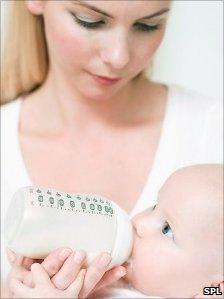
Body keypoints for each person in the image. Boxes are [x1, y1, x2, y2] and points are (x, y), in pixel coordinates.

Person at [1, 0, 222, 297]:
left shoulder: (212, 129)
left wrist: (213, 293)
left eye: (147, 25)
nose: (119, 57)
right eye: (89, 21)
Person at [7, 164, 224, 298]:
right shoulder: (101, 280)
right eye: (154, 207)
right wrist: (25, 287)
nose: (140, 223)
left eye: (167, 229)